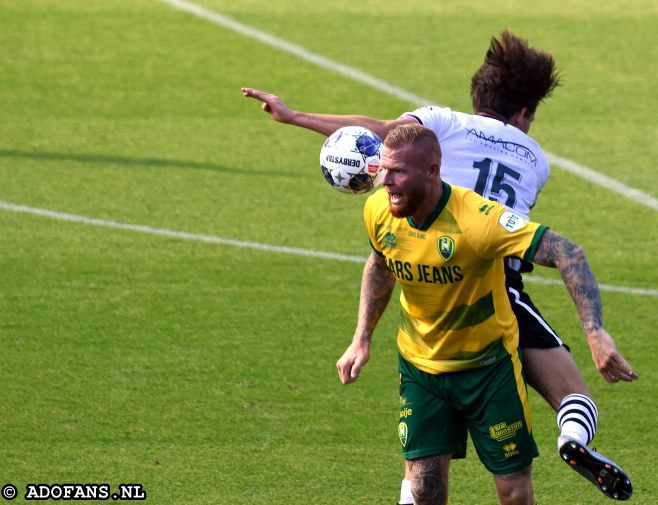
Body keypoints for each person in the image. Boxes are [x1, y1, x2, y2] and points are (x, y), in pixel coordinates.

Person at [243, 30, 637, 503]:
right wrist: (596, 332)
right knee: (574, 394)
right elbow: (557, 248)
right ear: (524, 113)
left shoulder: (441, 124)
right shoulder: (535, 158)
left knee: (426, 464)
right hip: (497, 281)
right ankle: (573, 438)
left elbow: (378, 132)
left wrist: (295, 116)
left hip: (433, 271)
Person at [337, 123, 629, 505]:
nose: (385, 181)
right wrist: (362, 337)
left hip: (488, 369)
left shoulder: (478, 220)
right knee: (424, 489)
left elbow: (567, 252)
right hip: (422, 368)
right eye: (384, 169)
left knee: (512, 491)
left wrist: (595, 332)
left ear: (432, 171)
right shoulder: (378, 209)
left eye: (398, 172)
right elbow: (380, 264)